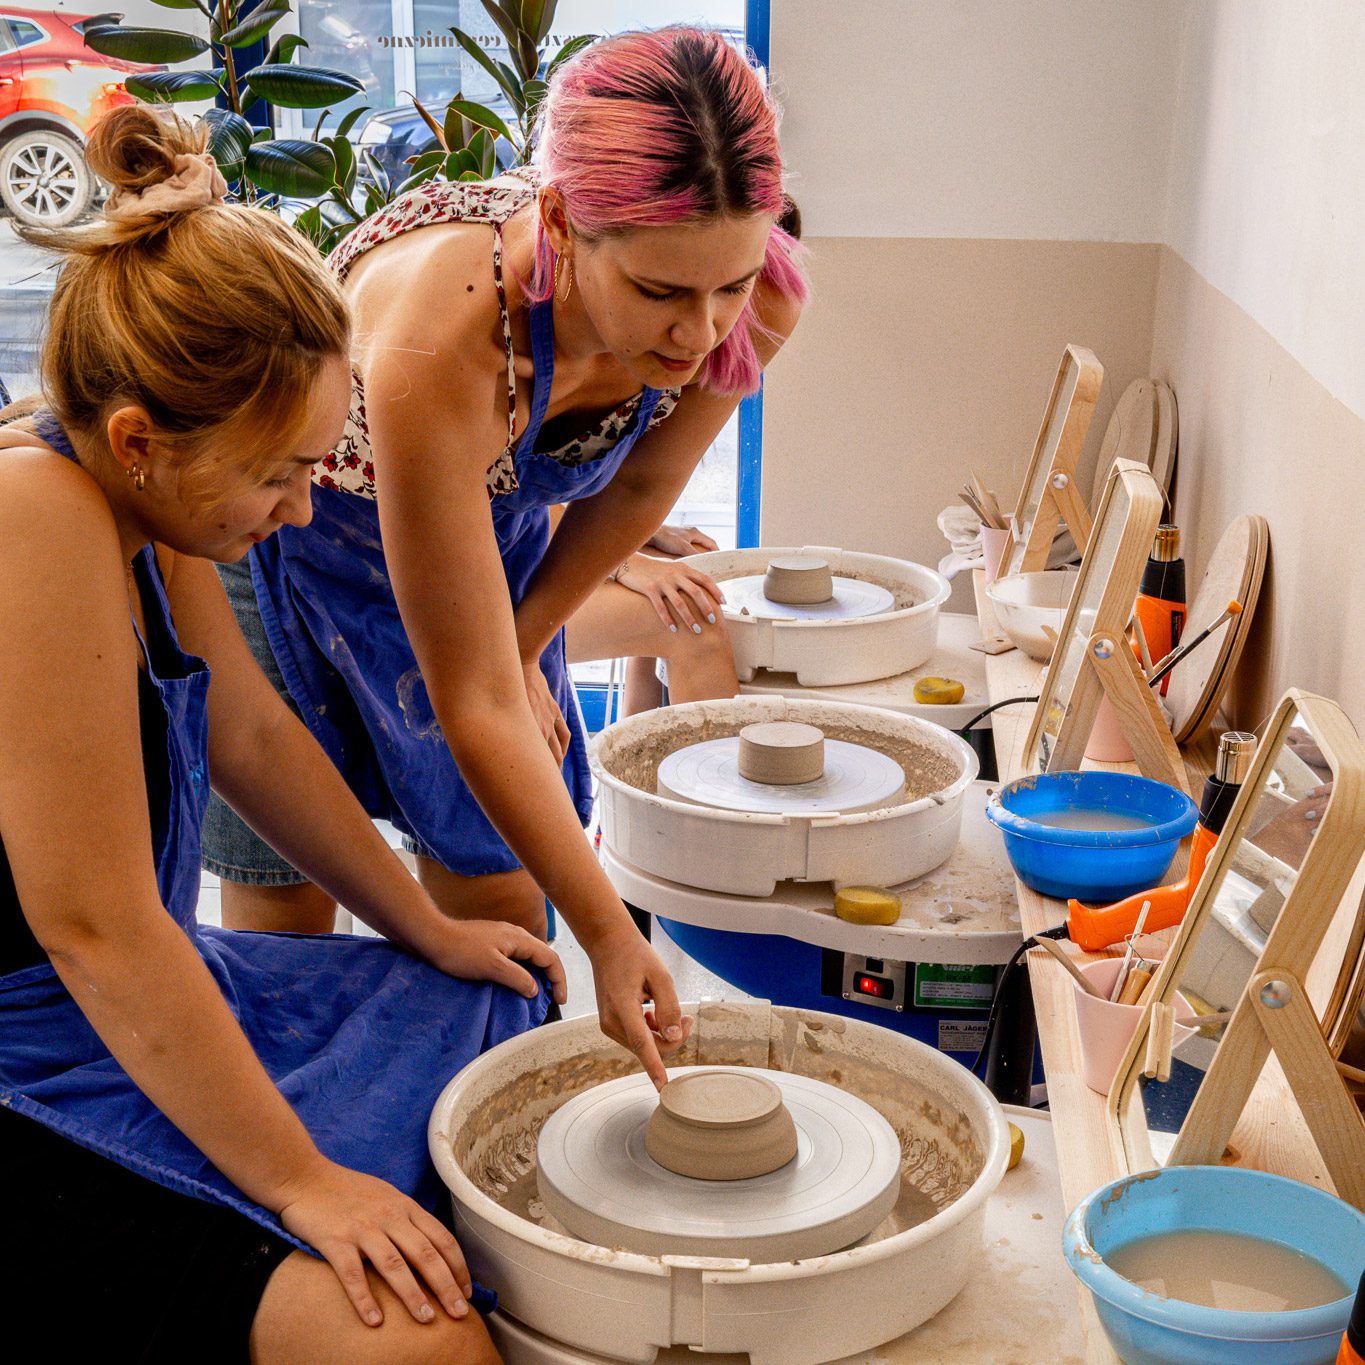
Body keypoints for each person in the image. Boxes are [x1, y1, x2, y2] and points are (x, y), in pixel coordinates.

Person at [0, 105, 566, 1364]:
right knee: (419, 1337)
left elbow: (251, 735)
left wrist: (427, 927)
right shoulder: (34, 513)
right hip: (32, 1043)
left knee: (500, 1011)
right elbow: (96, 926)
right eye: (280, 476)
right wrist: (304, 1183)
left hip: (114, 992)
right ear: (140, 441)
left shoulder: (134, 500)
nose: (305, 511)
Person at [203, 26, 808, 1088]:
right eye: (661, 293)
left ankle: (481, 1114)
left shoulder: (758, 302)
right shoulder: (447, 334)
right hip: (299, 543)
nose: (702, 331)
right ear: (564, 223)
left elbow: (637, 489)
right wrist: (611, 932)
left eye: (729, 282)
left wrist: (528, 640)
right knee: (293, 911)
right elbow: (470, 697)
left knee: (502, 895)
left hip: (494, 542)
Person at [561, 517, 738, 715]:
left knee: (691, 560)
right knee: (690, 612)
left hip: (547, 534)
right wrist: (625, 563)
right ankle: (645, 732)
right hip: (532, 583)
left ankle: (638, 732)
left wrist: (648, 531)